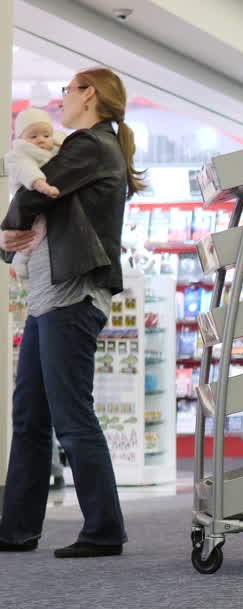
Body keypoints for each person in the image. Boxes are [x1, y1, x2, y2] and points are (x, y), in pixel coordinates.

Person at [0, 68, 144, 557]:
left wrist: (5, 239)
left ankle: (104, 529)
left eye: (67, 91)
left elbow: (35, 190)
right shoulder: (90, 145)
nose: (61, 99)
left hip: (72, 297)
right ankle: (16, 528)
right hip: (49, 298)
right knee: (31, 415)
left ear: (90, 95)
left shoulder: (89, 145)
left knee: (71, 415)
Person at [5, 107, 65, 281]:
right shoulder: (18, 155)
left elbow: (63, 140)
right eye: (33, 136)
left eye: (46, 135)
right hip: (29, 200)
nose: (41, 140)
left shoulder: (52, 150)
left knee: (44, 229)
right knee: (34, 231)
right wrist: (42, 186)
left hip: (45, 200)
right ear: (21, 138)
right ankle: (21, 259)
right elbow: (28, 171)